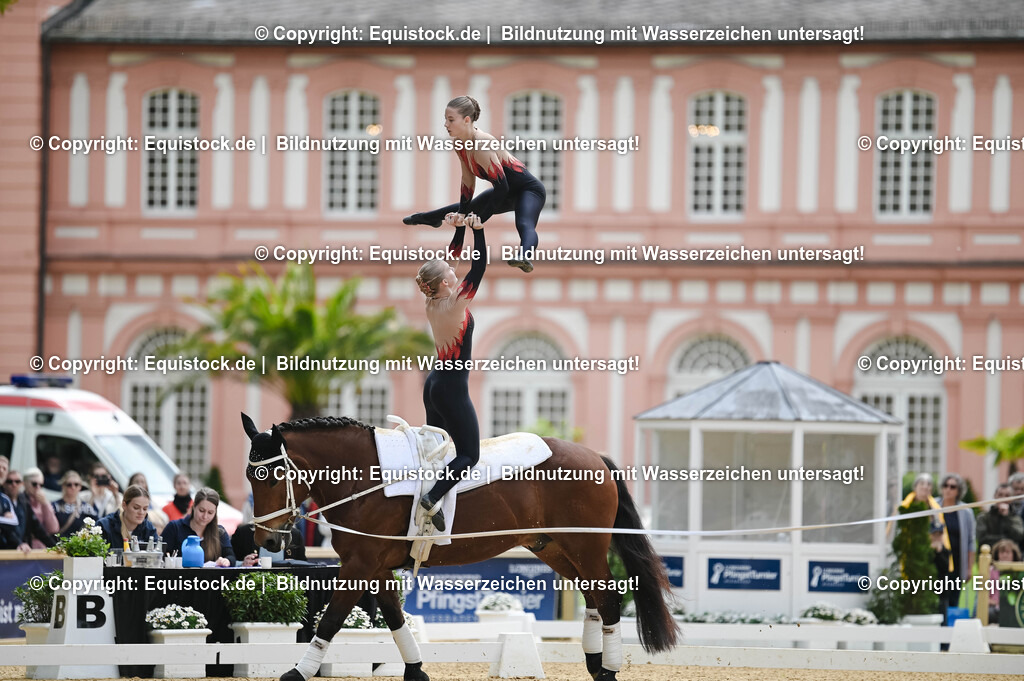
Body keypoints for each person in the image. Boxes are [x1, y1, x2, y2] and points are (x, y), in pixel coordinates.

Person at [404, 95, 546, 273]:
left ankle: (524, 256)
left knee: (524, 223)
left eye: (450, 120)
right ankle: (429, 218)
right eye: (445, 120)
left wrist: (481, 218)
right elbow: (467, 180)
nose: (446, 125)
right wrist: (462, 212)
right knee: (467, 208)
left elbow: (502, 187)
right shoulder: (460, 144)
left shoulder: (482, 143)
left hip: (529, 191)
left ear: (466, 120)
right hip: (505, 191)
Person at [415, 213, 487, 531]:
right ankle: (432, 498)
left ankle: (435, 502)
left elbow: (451, 259)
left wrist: (460, 227)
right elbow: (479, 268)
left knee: (437, 453)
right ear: (445, 283)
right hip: (452, 389)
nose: (452, 269)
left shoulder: (434, 301)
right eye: (449, 273)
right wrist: (480, 232)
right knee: (469, 454)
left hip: (434, 384)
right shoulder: (455, 303)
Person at [161, 487, 235, 566]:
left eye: (210, 512)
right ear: (193, 507)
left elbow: (231, 557)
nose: (205, 516)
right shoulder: (174, 528)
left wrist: (226, 560)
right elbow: (160, 555)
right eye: (201, 510)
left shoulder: (220, 532)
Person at [938, 473, 976, 618]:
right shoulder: (934, 506)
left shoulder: (966, 511)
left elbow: (971, 541)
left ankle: (949, 637)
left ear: (958, 490)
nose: (948, 489)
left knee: (953, 600)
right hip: (939, 563)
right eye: (945, 486)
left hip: (957, 563)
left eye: (952, 487)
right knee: (939, 600)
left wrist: (969, 568)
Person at [231, 522, 307, 566]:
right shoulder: (244, 532)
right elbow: (229, 561)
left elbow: (304, 565)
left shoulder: (295, 535)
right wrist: (242, 564)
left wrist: (294, 563)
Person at [977, 483, 1024, 550]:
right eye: (1000, 495)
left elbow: (1019, 537)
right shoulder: (983, 517)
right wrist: (1005, 539)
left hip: (1010, 558)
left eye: (1007, 495)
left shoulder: (1016, 518)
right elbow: (982, 539)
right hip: (989, 556)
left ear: (1012, 498)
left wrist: (1006, 517)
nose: (1003, 498)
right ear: (995, 496)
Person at [52, 470, 99, 537]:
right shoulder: (54, 506)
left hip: (78, 545)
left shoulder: (86, 507)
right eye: (69, 485)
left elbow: (97, 524)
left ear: (80, 487)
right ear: (63, 486)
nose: (73, 487)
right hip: (58, 545)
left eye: (76, 484)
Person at [986, 538, 1022, 624]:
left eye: (1008, 552)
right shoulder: (990, 571)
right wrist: (995, 602)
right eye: (1002, 552)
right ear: (997, 554)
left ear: (1013, 554)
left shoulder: (1019, 573)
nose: (1005, 555)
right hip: (995, 609)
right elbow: (983, 597)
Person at [22, 468, 59, 548]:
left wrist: (45, 504)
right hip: (26, 546)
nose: (38, 487)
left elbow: (53, 528)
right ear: (25, 483)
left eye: (41, 485)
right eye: (34, 484)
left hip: (42, 546)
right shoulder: (20, 500)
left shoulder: (43, 502)